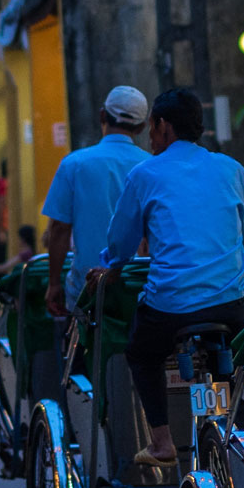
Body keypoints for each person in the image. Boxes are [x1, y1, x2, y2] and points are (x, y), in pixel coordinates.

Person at [94, 88, 244, 468]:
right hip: (228, 305)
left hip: (169, 307)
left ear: (163, 126)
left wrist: (113, 263)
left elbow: (120, 241)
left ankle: (161, 442)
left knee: (141, 353)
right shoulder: (231, 169)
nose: (149, 138)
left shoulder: (145, 174)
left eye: (152, 128)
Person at [42, 86, 151, 319]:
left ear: (103, 115)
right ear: (142, 127)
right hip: (140, 282)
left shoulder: (75, 164)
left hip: (87, 283)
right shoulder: (152, 166)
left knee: (82, 346)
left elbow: (59, 229)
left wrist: (54, 284)